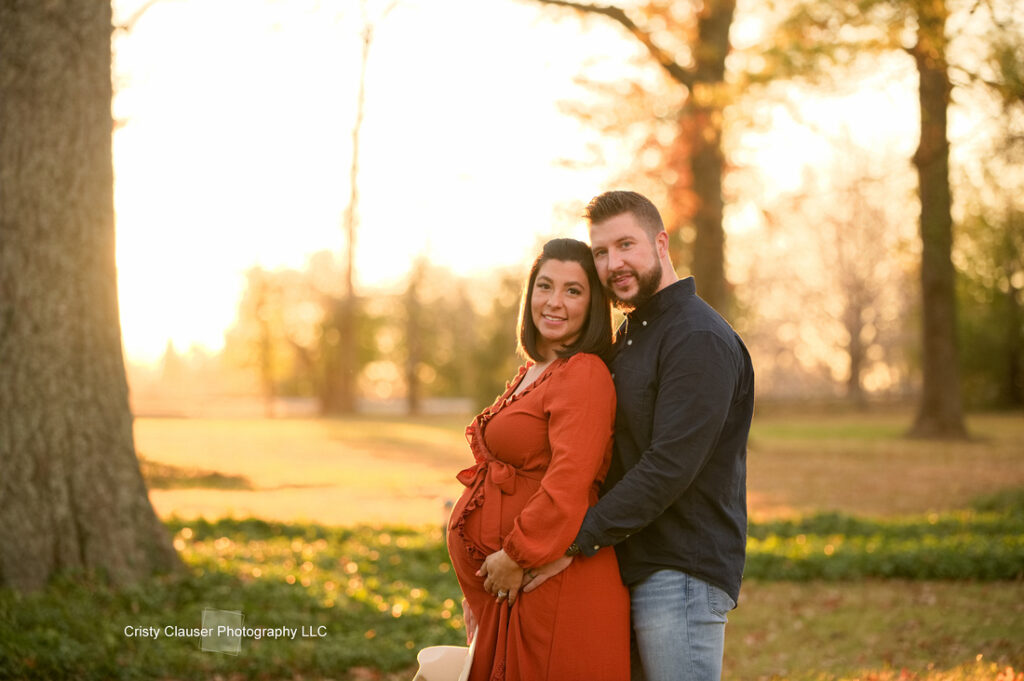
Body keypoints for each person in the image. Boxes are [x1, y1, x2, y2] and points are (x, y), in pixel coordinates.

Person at [519, 191, 755, 681]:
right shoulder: (633, 334)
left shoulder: (696, 337)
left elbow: (667, 467)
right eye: (601, 252)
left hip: (680, 572)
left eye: (626, 244)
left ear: (661, 242)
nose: (613, 263)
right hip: (631, 563)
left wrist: (572, 541)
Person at [446, 238, 630, 681]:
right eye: (545, 286)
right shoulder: (534, 370)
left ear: (593, 304)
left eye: (573, 290)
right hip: (509, 595)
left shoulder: (583, 372)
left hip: (551, 585)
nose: (554, 302)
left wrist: (515, 555)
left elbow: (569, 481)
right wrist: (478, 598)